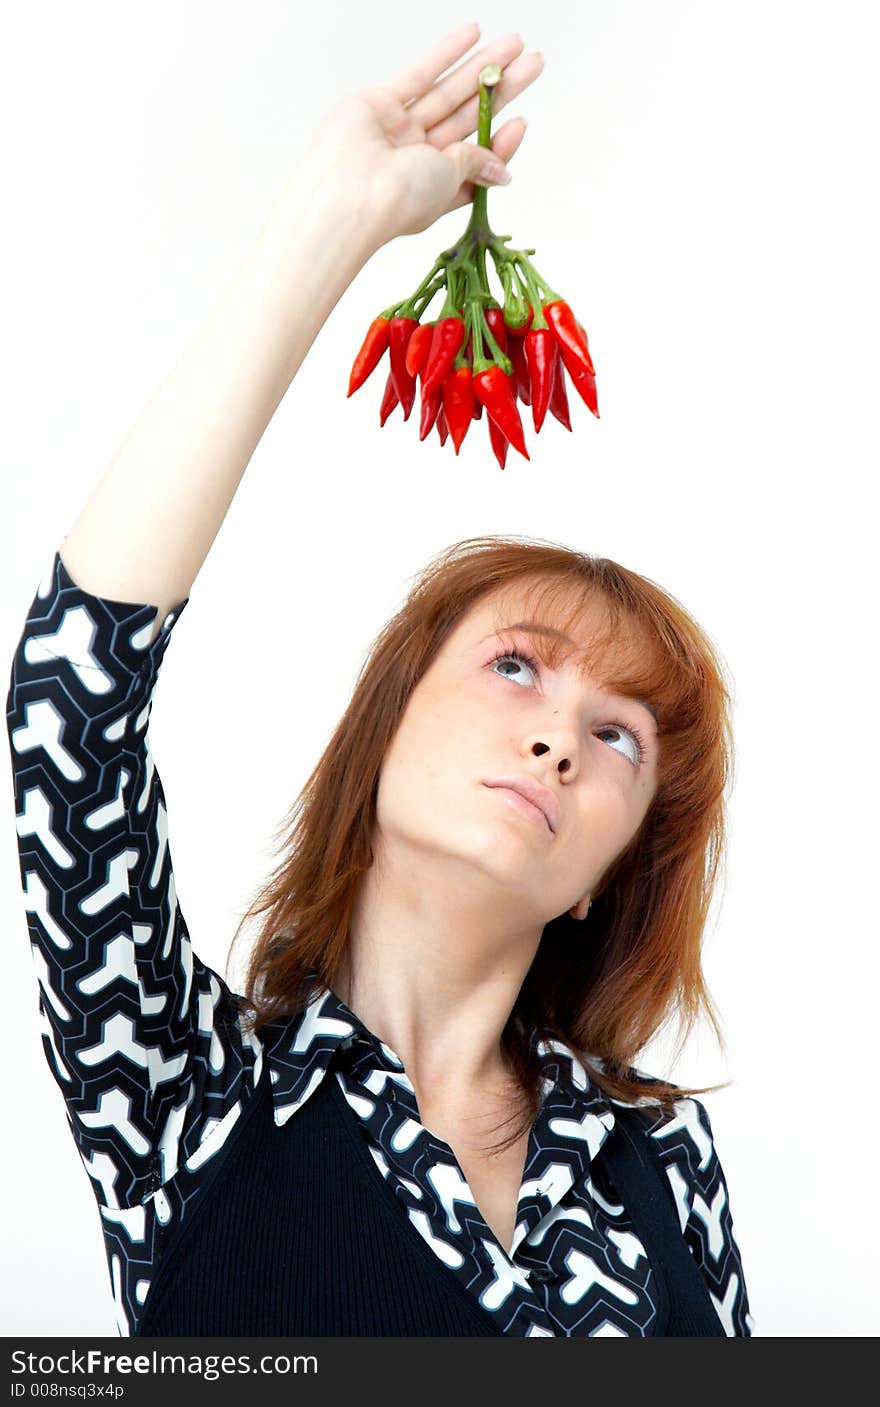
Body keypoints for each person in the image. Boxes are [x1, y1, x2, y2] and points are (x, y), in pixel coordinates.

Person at [5, 24, 753, 1338]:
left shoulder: (664, 1165)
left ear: (607, 873)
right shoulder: (195, 1100)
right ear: (385, 724)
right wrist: (328, 227)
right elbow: (71, 697)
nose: (560, 743)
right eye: (515, 665)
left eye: (621, 737)